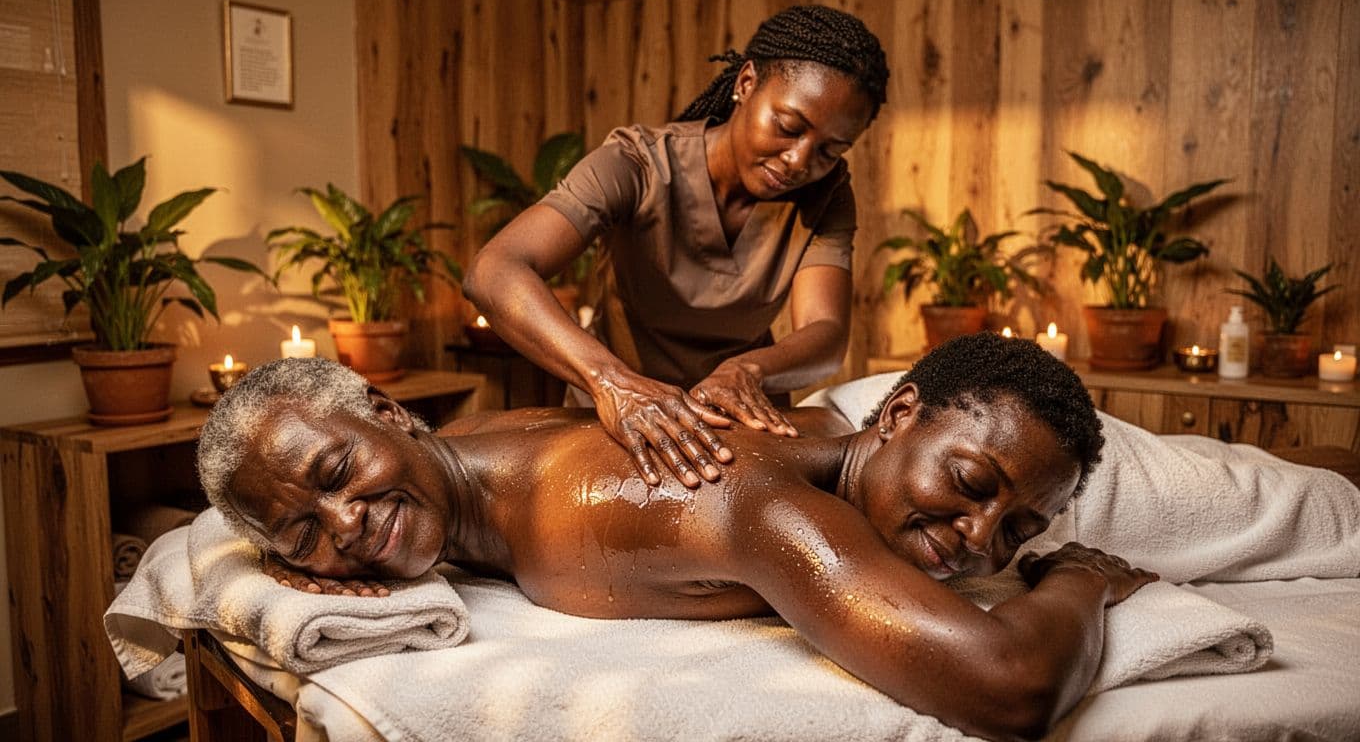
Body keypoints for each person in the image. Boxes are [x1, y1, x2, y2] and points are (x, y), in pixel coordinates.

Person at [197, 334, 1156, 740]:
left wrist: (1076, 575)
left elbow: (1011, 688)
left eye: (335, 480)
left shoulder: (729, 495)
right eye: (303, 531)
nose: (349, 526)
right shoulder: (466, 462)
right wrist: (310, 573)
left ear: (390, 412)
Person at [461, 5, 891, 488]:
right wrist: (612, 384)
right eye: (788, 127)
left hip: (735, 428)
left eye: (831, 150)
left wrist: (747, 369)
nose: (799, 160)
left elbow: (826, 332)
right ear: (746, 83)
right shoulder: (637, 164)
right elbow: (494, 270)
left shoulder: (827, 193)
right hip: (614, 421)